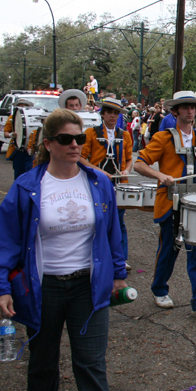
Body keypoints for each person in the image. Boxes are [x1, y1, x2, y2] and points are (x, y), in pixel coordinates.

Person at [0, 108, 127, 391]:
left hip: (87, 287)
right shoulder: (28, 186)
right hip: (42, 287)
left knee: (91, 363)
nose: (75, 145)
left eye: (79, 139)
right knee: (43, 361)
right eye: (66, 139)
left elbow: (111, 233)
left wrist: (118, 273)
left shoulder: (99, 182)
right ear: (48, 144)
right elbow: (5, 240)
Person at [133, 91, 196, 322]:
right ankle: (159, 289)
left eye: (193, 107)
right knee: (169, 250)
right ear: (175, 111)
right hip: (170, 202)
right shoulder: (163, 138)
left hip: (195, 203)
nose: (190, 111)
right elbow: (139, 163)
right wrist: (160, 174)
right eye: (185, 107)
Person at [79, 97, 133, 271]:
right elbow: (81, 158)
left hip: (119, 183)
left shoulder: (124, 135)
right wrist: (99, 171)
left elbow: (130, 159)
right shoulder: (91, 133)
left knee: (119, 221)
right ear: (102, 114)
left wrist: (126, 171)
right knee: (97, 219)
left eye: (116, 113)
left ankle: (121, 258)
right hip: (97, 183)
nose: (112, 115)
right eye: (109, 112)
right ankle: (95, 256)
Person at [4, 98, 36, 180]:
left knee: (30, 171)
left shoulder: (33, 117)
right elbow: (6, 133)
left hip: (30, 148)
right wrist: (11, 135)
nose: (22, 107)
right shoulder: (12, 117)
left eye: (24, 105)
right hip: (17, 149)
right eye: (20, 105)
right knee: (18, 172)